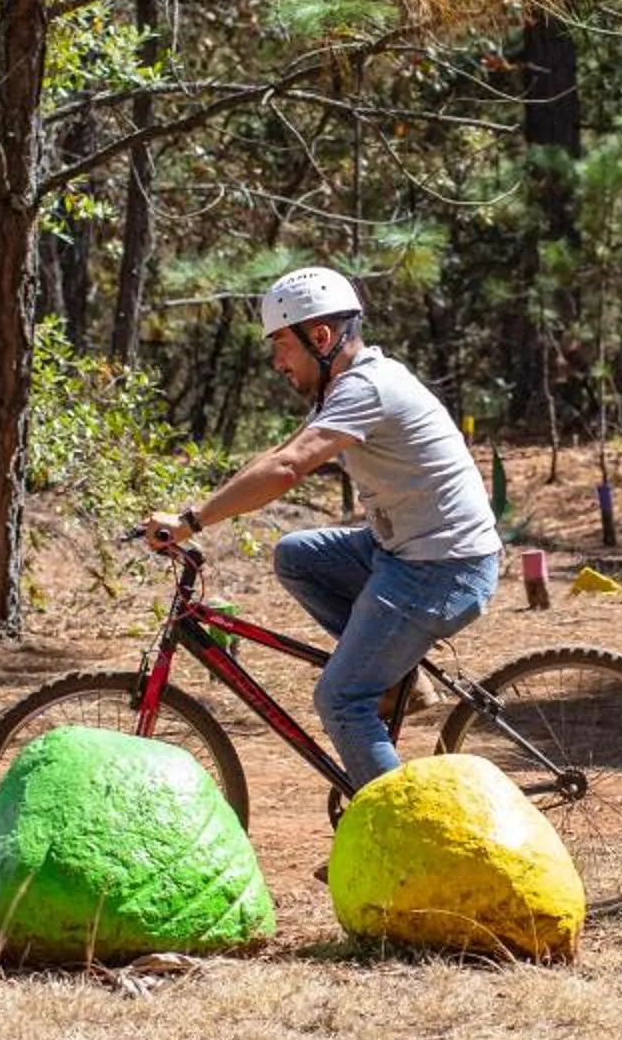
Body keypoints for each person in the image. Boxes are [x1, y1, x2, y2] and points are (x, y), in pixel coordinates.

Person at [138, 266, 500, 786]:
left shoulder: (366, 387)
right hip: (404, 552)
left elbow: (289, 469)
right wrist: (196, 511)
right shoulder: (347, 388)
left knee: (341, 698)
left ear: (322, 337)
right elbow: (281, 454)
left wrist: (192, 522)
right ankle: (398, 676)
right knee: (297, 555)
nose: (276, 361)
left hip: (441, 569)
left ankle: (396, 838)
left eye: (282, 344)